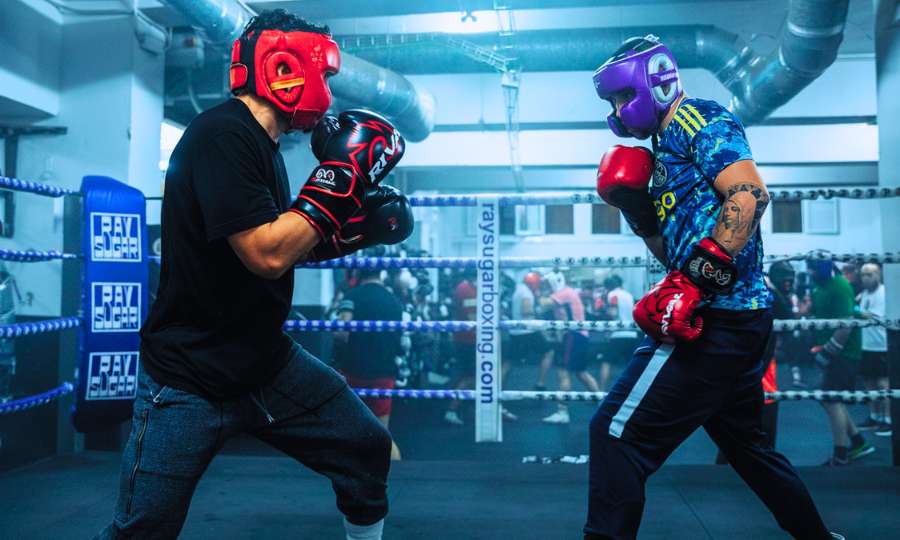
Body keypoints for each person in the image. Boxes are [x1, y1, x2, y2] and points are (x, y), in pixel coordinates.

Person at [95, 10, 412, 540]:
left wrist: (352, 232)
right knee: (142, 530)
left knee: (365, 449)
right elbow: (265, 254)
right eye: (324, 74)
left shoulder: (263, 145)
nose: (327, 88)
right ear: (285, 67)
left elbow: (278, 245)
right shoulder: (222, 136)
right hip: (189, 378)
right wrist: (342, 175)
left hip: (264, 362)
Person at [587, 35, 843, 540]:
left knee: (615, 433)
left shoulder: (697, 119)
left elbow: (748, 196)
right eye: (611, 102)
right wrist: (638, 212)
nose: (617, 111)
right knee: (748, 448)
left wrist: (693, 282)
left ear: (654, 82)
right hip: (734, 316)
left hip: (716, 319)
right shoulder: (664, 147)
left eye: (622, 96)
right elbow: (673, 252)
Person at [807, 259, 875, 465]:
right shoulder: (819, 286)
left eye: (813, 268)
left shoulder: (840, 285)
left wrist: (829, 351)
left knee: (831, 398)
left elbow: (846, 323)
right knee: (829, 397)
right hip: (831, 348)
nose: (810, 272)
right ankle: (858, 442)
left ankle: (840, 455)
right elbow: (825, 313)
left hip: (844, 352)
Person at [337, 268, 405, 460]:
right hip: (384, 371)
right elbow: (400, 338)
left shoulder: (353, 295)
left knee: (350, 426)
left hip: (354, 369)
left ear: (358, 273)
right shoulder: (393, 300)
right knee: (382, 433)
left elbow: (342, 333)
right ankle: (394, 471)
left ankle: (350, 470)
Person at [538, 271, 602, 425]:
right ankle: (602, 402)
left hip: (573, 335)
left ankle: (562, 412)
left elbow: (543, 304)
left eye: (548, 285)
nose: (547, 288)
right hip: (578, 336)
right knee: (581, 372)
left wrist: (539, 292)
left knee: (563, 372)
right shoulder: (567, 292)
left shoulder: (564, 293)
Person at [856, 263, 891, 436]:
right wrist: (856, 307)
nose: (865, 278)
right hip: (866, 344)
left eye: (869, 274)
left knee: (883, 383)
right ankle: (874, 416)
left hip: (881, 345)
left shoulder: (884, 293)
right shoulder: (864, 294)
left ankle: (888, 420)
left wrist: (854, 309)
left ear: (878, 275)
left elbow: (871, 316)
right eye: (863, 275)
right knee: (869, 382)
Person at [443, 269, 478, 425]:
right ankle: (451, 409)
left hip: (465, 338)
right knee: (470, 376)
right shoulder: (467, 290)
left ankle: (462, 407)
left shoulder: (465, 287)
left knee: (466, 375)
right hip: (468, 340)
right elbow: (473, 318)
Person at [597, 274, 639, 390]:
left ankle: (601, 392)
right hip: (632, 334)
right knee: (631, 366)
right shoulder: (629, 295)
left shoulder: (612, 294)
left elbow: (613, 313)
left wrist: (602, 309)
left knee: (606, 363)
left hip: (617, 334)